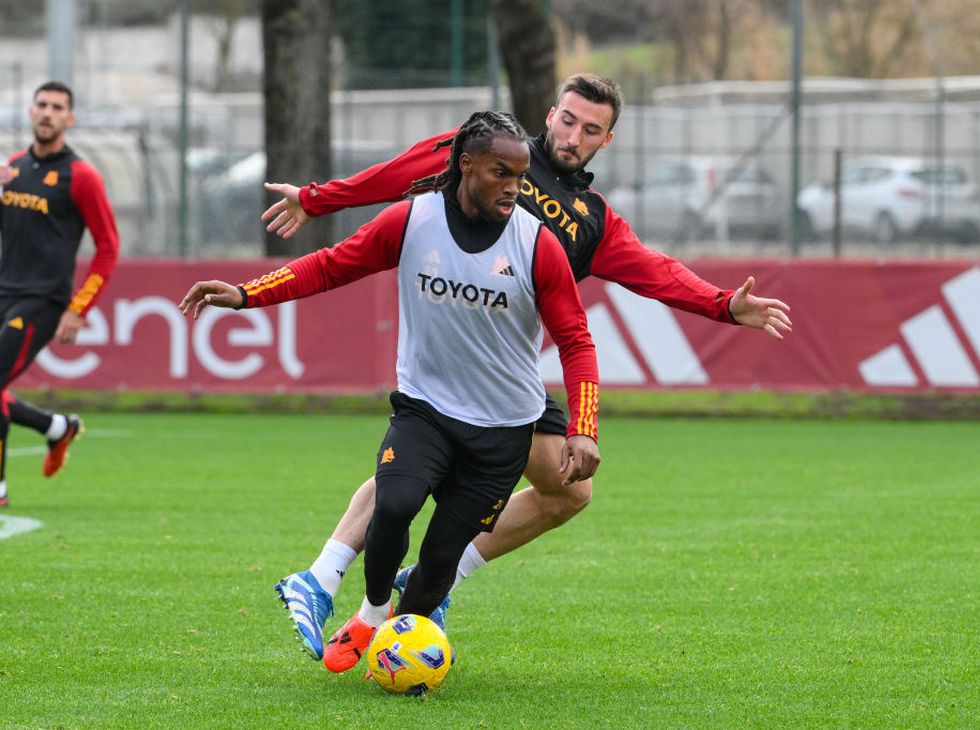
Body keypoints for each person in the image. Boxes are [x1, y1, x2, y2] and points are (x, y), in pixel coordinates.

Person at [263, 73, 792, 663]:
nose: (573, 136)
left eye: (591, 129)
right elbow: (400, 171)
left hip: (505, 380)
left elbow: (655, 270)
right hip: (444, 369)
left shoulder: (592, 221)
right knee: (408, 477)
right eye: (568, 120)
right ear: (549, 115)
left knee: (569, 492)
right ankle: (321, 577)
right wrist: (317, 199)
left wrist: (721, 304)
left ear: (607, 140)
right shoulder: (493, 149)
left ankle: (431, 584)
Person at [180, 111, 601, 672]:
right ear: (466, 165)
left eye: (521, 177)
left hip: (503, 429)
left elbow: (576, 340)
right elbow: (329, 267)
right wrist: (245, 294)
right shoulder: (411, 221)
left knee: (440, 561)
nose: (514, 188)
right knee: (395, 504)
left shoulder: (537, 245)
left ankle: (389, 624)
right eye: (501, 173)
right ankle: (373, 610)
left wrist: (583, 427)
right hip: (426, 409)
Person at [0, 81, 120, 508]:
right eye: (42, 105)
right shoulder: (12, 168)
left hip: (43, 302)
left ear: (70, 119)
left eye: (57, 107)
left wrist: (78, 309)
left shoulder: (80, 176)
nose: (48, 112)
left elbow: (108, 247)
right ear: (30, 112)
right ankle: (56, 428)